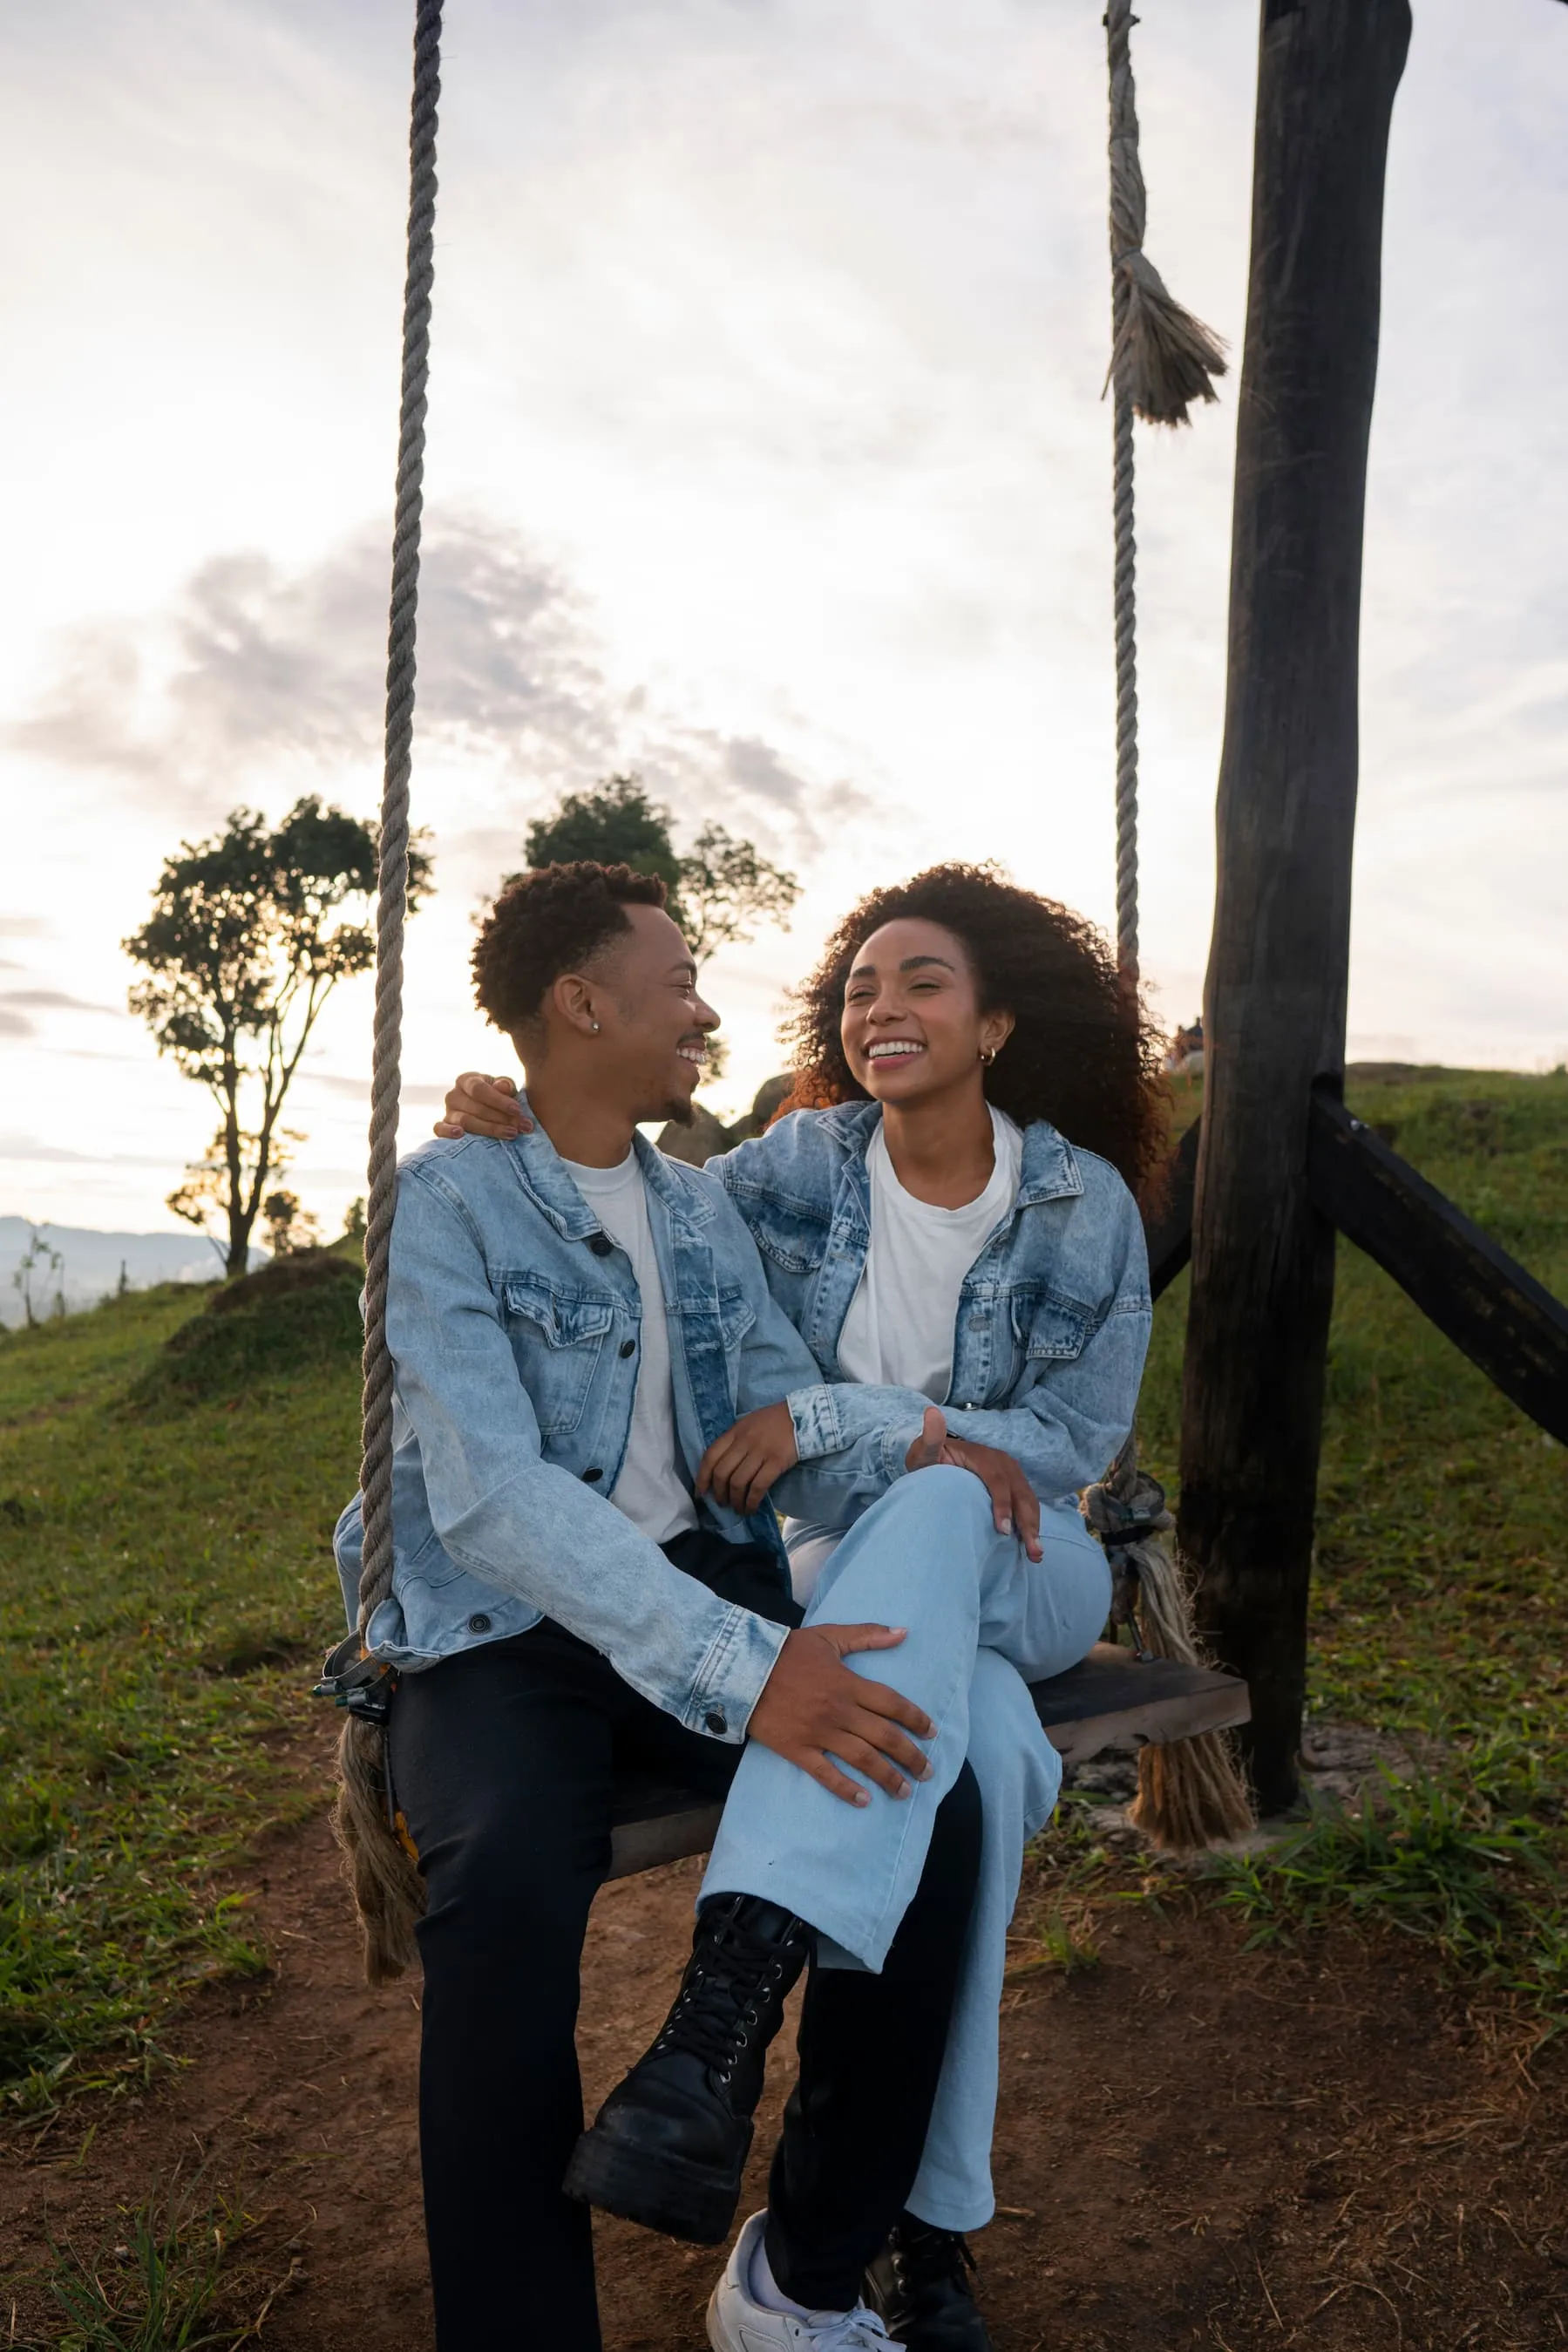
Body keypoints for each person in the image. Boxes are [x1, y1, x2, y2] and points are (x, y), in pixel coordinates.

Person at [439, 860, 1164, 2352]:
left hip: (1028, 1554)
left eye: (922, 983)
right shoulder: (790, 1167)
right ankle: (886, 2240)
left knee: (954, 1503)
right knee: (962, 1774)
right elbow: (630, 1212)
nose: (879, 1008)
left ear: (999, 1021)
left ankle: (723, 2011)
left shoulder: (1080, 1201)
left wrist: (881, 1433)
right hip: (817, 1579)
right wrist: (510, 1107)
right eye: (859, 987)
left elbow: (1068, 1442)